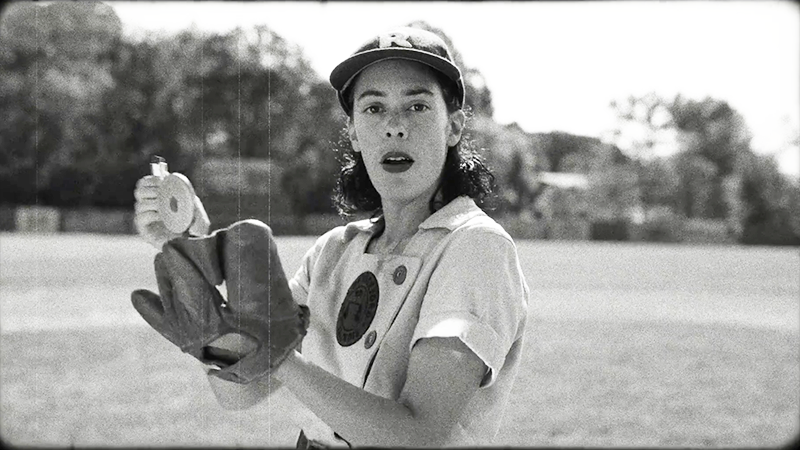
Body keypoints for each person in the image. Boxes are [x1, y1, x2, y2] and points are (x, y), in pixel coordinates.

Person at [133, 26, 529, 448]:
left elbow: (419, 435)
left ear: (453, 127)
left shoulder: (476, 247)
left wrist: (277, 354)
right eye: (374, 108)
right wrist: (189, 247)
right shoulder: (334, 251)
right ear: (355, 133)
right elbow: (239, 391)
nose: (395, 125)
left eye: (417, 105)